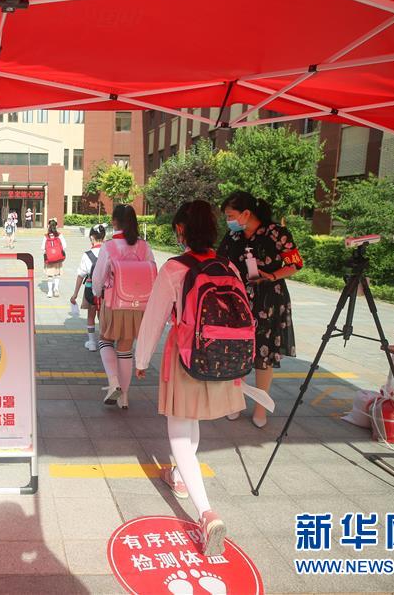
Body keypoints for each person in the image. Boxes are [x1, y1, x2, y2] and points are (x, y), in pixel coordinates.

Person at [135, 200, 245, 557]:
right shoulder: (228, 265)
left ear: (181, 230)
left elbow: (153, 320)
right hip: (223, 359)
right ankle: (180, 478)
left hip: (185, 356)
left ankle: (206, 513)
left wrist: (140, 359)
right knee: (191, 422)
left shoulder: (174, 269)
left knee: (178, 431)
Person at [217, 191, 302, 428]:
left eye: (231, 215)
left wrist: (272, 275)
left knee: (263, 356)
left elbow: (296, 263)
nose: (229, 220)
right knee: (238, 351)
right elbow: (220, 261)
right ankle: (234, 402)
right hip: (238, 299)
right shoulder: (233, 235)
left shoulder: (276, 233)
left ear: (246, 213)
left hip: (268, 300)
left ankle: (260, 408)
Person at [91, 204, 157, 409]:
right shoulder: (144, 246)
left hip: (114, 303)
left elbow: (98, 279)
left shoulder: (109, 247)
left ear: (114, 222)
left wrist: (96, 293)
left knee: (104, 340)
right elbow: (153, 272)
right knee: (126, 350)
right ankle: (125, 397)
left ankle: (113, 383)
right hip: (139, 306)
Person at [70, 224, 105, 351]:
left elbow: (81, 275)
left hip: (91, 289)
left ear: (91, 238)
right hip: (107, 291)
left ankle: (91, 343)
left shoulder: (87, 255)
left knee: (91, 315)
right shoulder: (109, 252)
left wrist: (75, 294)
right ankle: (104, 342)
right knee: (103, 317)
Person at [42, 219, 67, 298]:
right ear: (56, 226)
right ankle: (56, 289)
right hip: (58, 258)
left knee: (50, 275)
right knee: (57, 275)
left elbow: (42, 247)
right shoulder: (59, 235)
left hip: (49, 259)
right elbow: (65, 246)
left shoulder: (46, 236)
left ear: (48, 226)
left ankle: (49, 291)